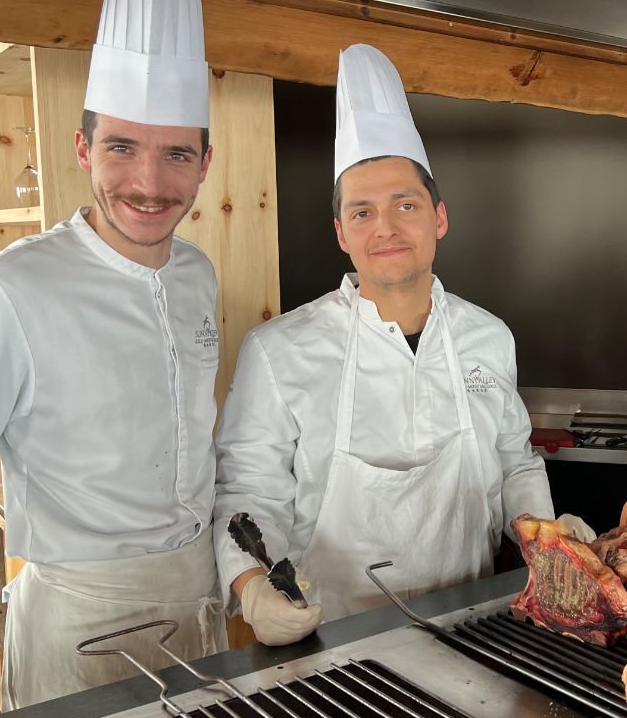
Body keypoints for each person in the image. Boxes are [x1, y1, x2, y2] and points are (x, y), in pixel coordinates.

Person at [0, 0, 224, 718]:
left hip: (201, 612)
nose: (149, 183)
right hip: (76, 626)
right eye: (121, 147)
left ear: (206, 164)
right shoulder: (10, 291)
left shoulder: (200, 276)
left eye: (176, 153)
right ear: (83, 150)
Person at [215, 44, 590, 639]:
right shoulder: (278, 350)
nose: (385, 228)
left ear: (439, 218)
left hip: (477, 632)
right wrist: (252, 585)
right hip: (333, 647)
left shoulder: (488, 337)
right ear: (341, 233)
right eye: (362, 213)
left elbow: (514, 461)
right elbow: (247, 490)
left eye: (405, 205)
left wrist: (548, 538)